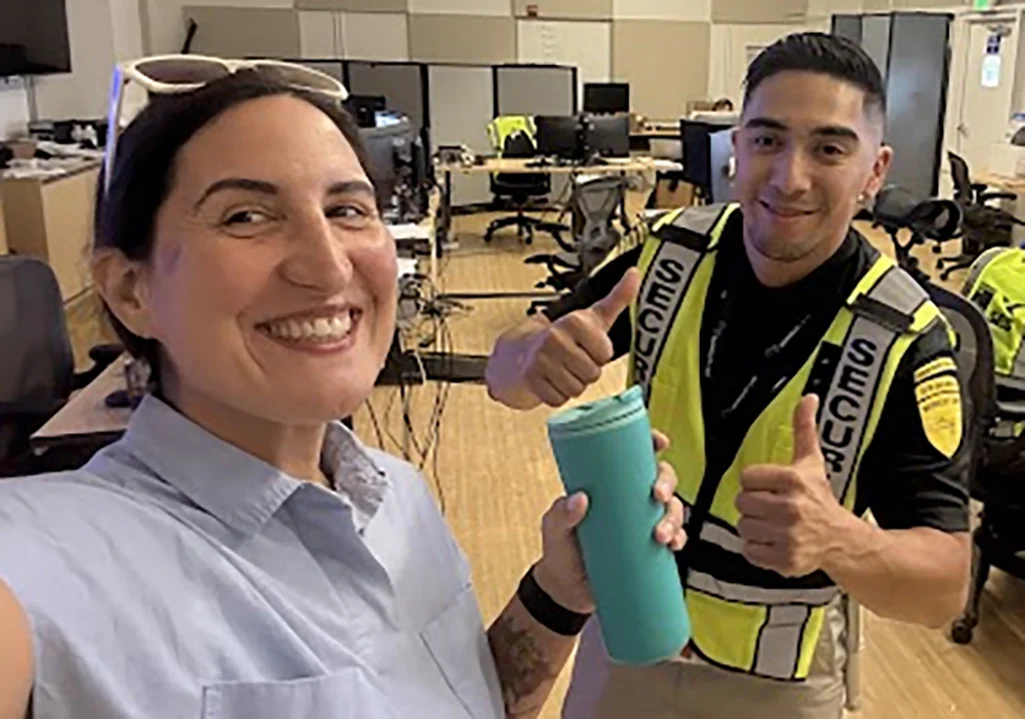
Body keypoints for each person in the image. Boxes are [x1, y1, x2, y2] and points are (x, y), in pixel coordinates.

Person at [0, 58, 687, 719]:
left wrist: (559, 592)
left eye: (348, 209)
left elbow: (459, 699)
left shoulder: (398, 497)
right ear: (130, 287)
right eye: (246, 215)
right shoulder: (49, 555)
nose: (328, 266)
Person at [486, 32, 971, 719]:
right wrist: (529, 358)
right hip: (625, 636)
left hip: (777, 685)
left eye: (829, 148)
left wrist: (841, 540)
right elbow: (503, 373)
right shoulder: (665, 253)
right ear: (735, 149)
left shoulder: (907, 340)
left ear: (874, 170)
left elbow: (945, 587)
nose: (790, 176)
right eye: (767, 140)